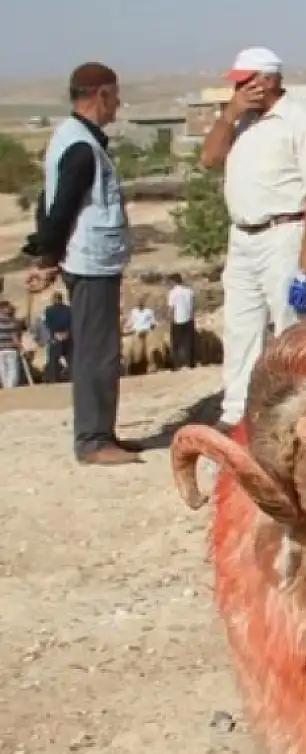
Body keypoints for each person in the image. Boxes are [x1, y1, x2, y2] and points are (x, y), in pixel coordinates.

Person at [200, 46, 306, 432]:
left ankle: (298, 405)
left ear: (268, 80)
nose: (240, 87)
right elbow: (209, 159)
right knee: (241, 324)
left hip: (284, 233)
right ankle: (236, 410)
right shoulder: (239, 122)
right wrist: (229, 116)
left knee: (289, 321)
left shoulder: (298, 122)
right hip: (242, 236)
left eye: (246, 80)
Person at [22, 62, 138, 465]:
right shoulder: (81, 147)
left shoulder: (73, 140)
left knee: (100, 348)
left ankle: (102, 431)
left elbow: (46, 201)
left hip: (93, 260)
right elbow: (60, 207)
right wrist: (47, 257)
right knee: (96, 352)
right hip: (90, 262)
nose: (118, 104)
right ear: (101, 95)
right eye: (115, 95)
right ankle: (92, 440)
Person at [40, 292, 72, 384]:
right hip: (68, 336)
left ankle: (54, 379)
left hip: (55, 336)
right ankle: (73, 377)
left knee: (53, 360)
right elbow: (73, 322)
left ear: (53, 299)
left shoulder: (48, 310)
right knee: (70, 359)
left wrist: (52, 335)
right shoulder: (69, 309)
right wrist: (68, 332)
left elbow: (46, 324)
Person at [166, 274, 195, 369]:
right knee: (189, 342)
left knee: (176, 343)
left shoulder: (173, 293)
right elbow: (192, 307)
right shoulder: (190, 291)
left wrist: (170, 321)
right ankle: (189, 363)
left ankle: (177, 364)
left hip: (177, 320)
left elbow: (171, 309)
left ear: (174, 281)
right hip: (189, 319)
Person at [0, 301, 22, 389]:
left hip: (1, 349)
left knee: (3, 370)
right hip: (11, 348)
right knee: (12, 370)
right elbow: (15, 336)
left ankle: (6, 387)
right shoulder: (13, 321)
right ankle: (10, 388)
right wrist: (19, 346)